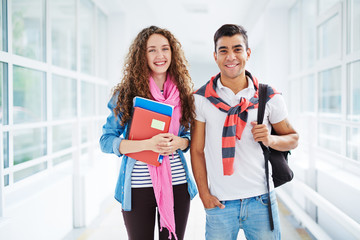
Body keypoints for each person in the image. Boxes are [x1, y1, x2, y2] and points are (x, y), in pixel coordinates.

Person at [190, 24, 299, 240]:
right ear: (215, 56)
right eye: (223, 50)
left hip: (262, 200)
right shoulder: (200, 99)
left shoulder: (269, 96)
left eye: (237, 49)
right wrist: (204, 195)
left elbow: (293, 139)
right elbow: (197, 150)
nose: (231, 56)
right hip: (220, 203)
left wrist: (270, 139)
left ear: (247, 53)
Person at [99, 26, 198, 240]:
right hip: (137, 187)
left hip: (177, 184)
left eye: (165, 49)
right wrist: (147, 144)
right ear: (141, 55)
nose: (160, 55)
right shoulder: (126, 94)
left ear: (173, 53)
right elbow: (106, 141)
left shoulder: (183, 94)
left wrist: (179, 142)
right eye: (151, 50)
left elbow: (190, 137)